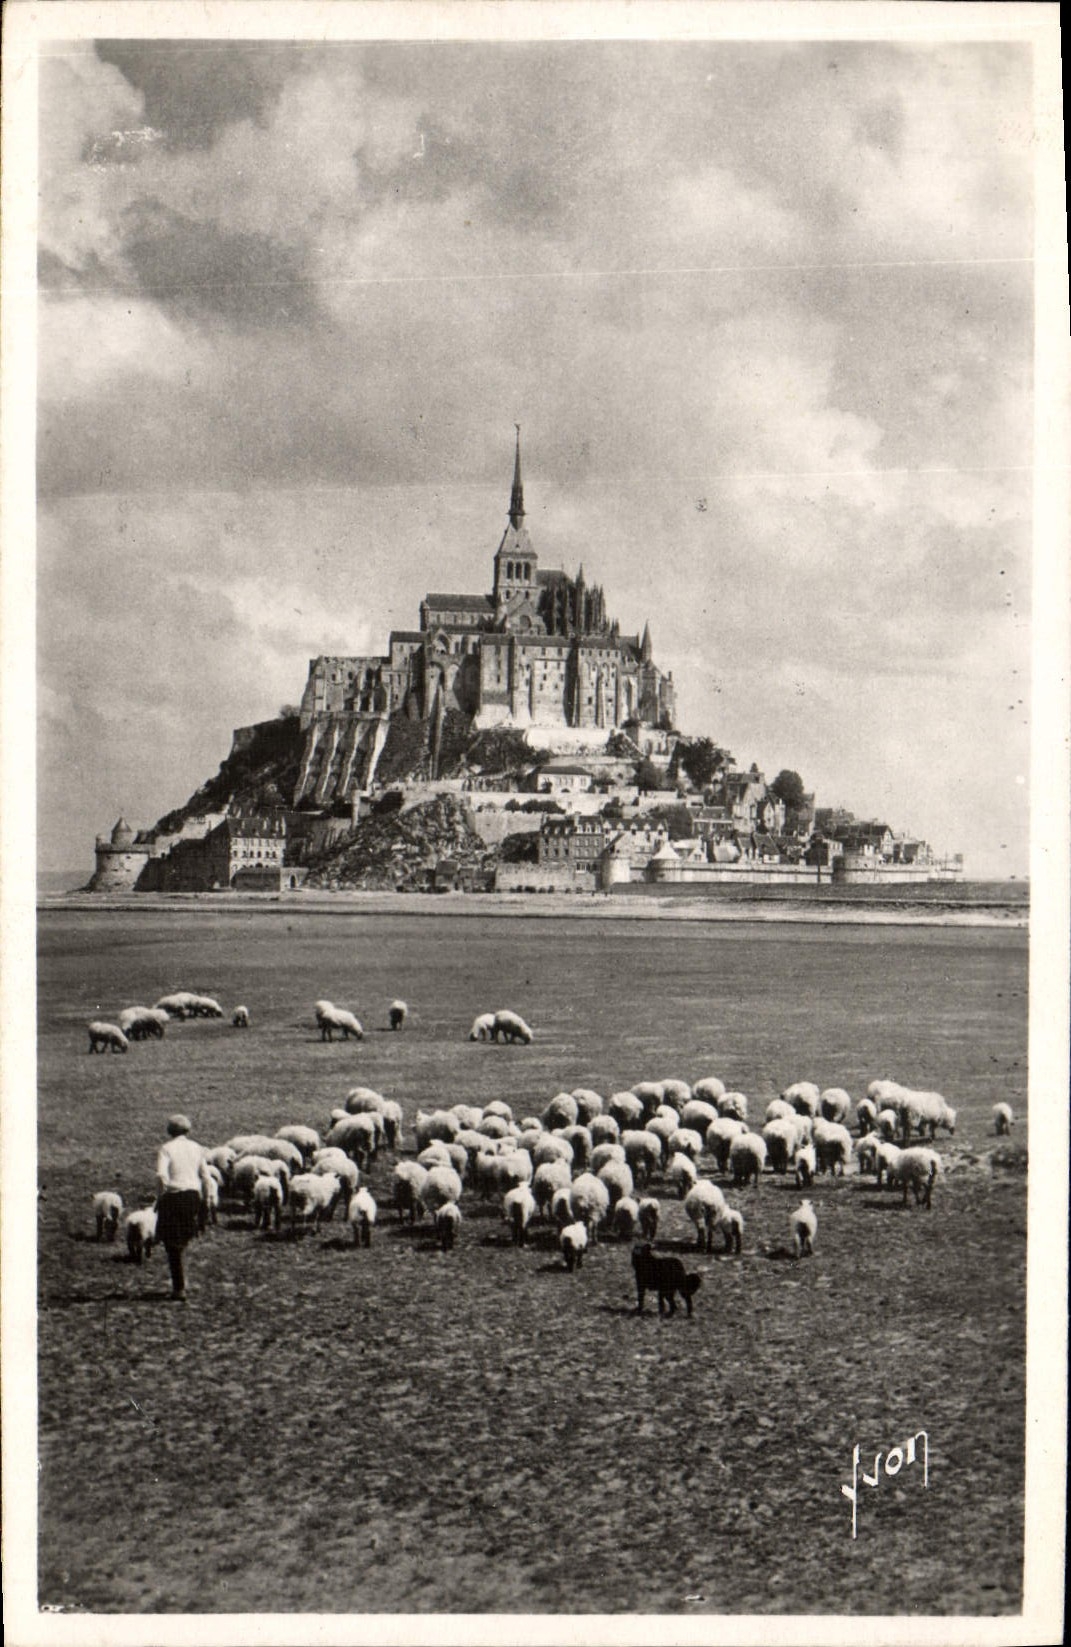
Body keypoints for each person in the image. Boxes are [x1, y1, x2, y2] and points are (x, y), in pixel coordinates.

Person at [155, 1114, 212, 1302]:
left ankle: (179, 1288)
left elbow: (162, 1176)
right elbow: (205, 1175)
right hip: (193, 1196)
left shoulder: (166, 1149)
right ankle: (180, 1284)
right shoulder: (197, 1148)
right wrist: (208, 1198)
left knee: (173, 1244)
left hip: (174, 1196)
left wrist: (160, 1197)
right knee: (182, 1238)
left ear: (170, 1131)